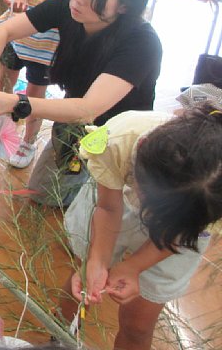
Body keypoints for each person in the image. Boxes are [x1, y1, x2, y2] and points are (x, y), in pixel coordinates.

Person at [0, 0, 163, 206]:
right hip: (74, 122)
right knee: (44, 193)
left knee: (103, 205)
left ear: (125, 5)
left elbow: (87, 109)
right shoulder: (69, 5)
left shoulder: (142, 43)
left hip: (116, 134)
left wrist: (15, 103)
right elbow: (0, 31)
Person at [61, 107, 222, 350]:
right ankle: (59, 337)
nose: (150, 216)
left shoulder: (213, 197)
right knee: (83, 281)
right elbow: (108, 208)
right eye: (149, 198)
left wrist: (134, 266)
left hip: (180, 236)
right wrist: (97, 260)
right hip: (115, 204)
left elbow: (181, 232)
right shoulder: (120, 138)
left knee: (138, 326)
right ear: (142, 148)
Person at [0, 0, 81, 167]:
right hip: (18, 40)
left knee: (35, 97)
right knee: (3, 83)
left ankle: (28, 142)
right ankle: (1, 126)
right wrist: (19, 0)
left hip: (47, 49)